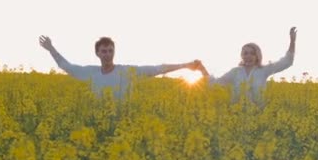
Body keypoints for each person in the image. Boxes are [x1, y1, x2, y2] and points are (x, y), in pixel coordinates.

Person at [39, 36, 200, 98]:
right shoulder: (90, 73)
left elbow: (157, 69)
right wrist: (51, 49)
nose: (108, 54)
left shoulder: (127, 72)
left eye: (110, 51)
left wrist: (185, 65)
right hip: (99, 124)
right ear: (97, 53)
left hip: (122, 125)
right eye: (104, 51)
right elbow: (66, 66)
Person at [197, 27, 297, 104]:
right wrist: (202, 69)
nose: (248, 56)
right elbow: (214, 84)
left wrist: (292, 41)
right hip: (236, 117)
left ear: (257, 56)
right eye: (245, 53)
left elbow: (286, 62)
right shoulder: (235, 72)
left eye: (252, 53)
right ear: (242, 56)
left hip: (258, 116)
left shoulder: (263, 70)